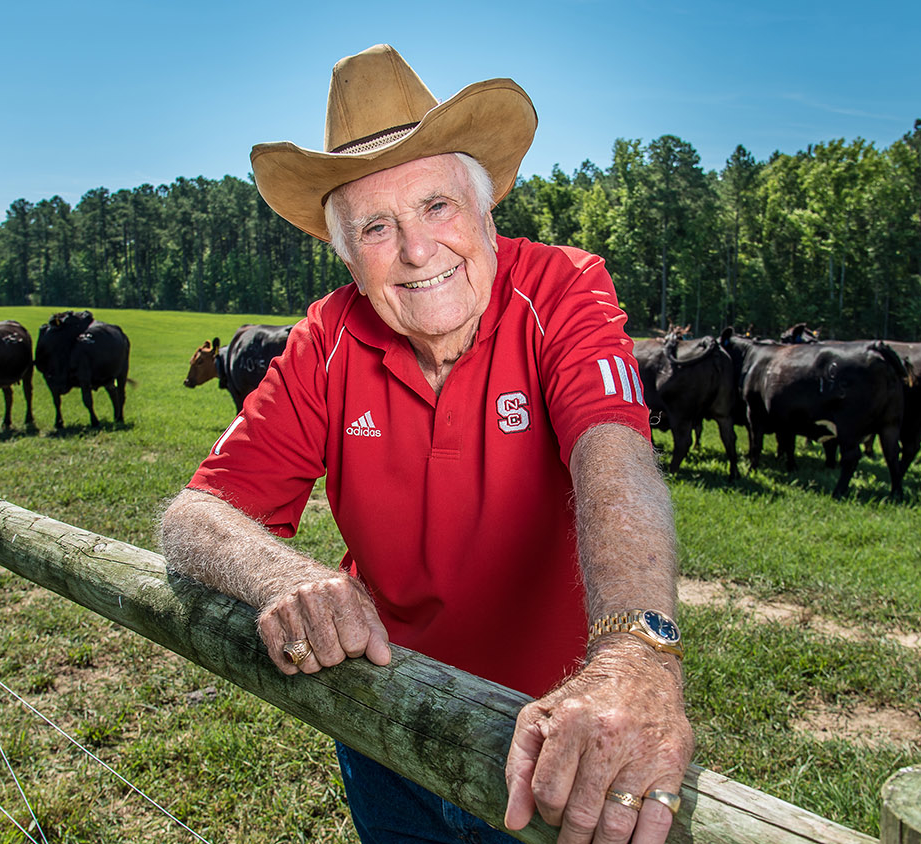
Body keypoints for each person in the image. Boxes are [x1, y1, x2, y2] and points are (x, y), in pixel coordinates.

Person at [160, 44, 694, 844]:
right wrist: (282, 573)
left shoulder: (562, 287)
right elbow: (194, 517)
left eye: (438, 207)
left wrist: (635, 651)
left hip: (553, 728)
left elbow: (614, 459)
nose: (416, 251)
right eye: (378, 225)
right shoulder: (325, 339)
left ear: (486, 210)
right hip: (389, 716)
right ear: (346, 254)